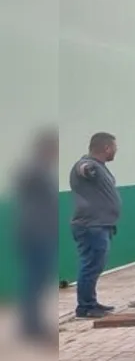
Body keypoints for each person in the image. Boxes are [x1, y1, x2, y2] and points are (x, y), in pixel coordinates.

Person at [11, 128, 59, 342]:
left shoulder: (38, 171)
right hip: (36, 233)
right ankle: (31, 325)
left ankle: (32, 323)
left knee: (38, 279)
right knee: (34, 279)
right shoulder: (35, 171)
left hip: (39, 232)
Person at [69, 132, 121, 319]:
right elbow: (83, 168)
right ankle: (85, 308)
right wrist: (88, 169)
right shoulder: (87, 164)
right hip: (91, 226)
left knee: (95, 265)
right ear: (106, 148)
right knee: (90, 265)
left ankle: (91, 302)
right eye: (115, 147)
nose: (116, 151)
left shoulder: (101, 167)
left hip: (101, 225)